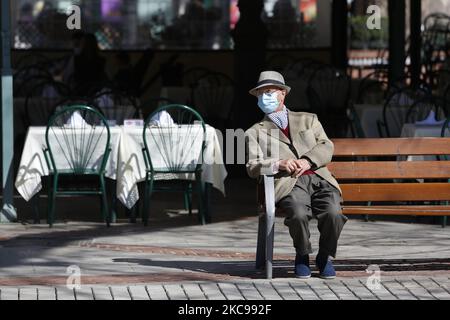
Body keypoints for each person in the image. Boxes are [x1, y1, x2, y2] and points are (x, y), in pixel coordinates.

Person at [245, 71, 348, 279]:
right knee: (299, 214)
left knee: (334, 213)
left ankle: (324, 256)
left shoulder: (308, 119)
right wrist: (278, 163)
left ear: (282, 94)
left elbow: (326, 146)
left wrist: (308, 160)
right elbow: (252, 166)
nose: (264, 96)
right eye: (260, 93)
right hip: (289, 182)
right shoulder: (254, 132)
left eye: (269, 91)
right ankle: (302, 254)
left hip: (319, 178)